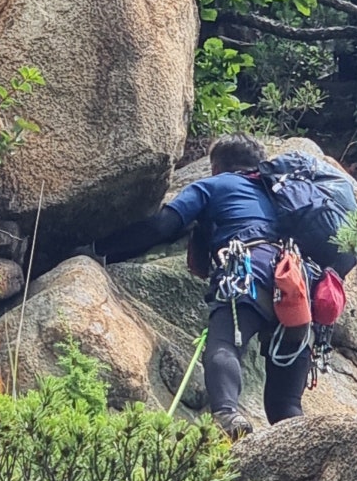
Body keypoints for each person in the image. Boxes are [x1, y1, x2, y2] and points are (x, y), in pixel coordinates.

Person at [94, 134, 329, 437]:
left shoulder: (215, 185)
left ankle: (228, 418)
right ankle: (300, 440)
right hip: (298, 284)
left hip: (250, 271)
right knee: (284, 403)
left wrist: (99, 249)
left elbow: (163, 225)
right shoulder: (281, 191)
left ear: (217, 166)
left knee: (224, 344)